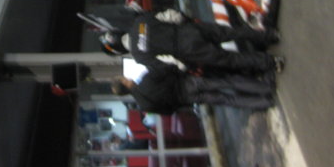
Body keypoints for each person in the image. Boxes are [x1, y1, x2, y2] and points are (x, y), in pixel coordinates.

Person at [100, 9, 283, 75]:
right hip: (189, 30)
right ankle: (270, 35)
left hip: (188, 50)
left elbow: (170, 64)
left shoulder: (140, 56)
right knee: (231, 32)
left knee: (230, 59)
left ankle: (272, 62)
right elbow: (172, 15)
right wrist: (187, 22)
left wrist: (185, 67)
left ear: (119, 51)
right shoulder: (139, 22)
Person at [111, 62, 276, 115]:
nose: (127, 78)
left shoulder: (144, 105)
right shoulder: (146, 79)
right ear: (125, 84)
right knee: (227, 82)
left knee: (227, 100)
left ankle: (264, 102)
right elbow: (168, 69)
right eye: (124, 79)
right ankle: (265, 88)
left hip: (187, 99)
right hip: (188, 83)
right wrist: (179, 73)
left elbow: (168, 112)